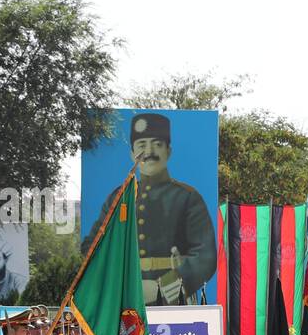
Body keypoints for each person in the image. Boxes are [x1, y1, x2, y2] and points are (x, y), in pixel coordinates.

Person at [83, 112, 216, 307]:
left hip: (173, 301)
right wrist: (122, 282)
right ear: (132, 153)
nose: (149, 151)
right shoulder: (119, 197)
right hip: (126, 300)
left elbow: (205, 256)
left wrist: (164, 285)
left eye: (157, 144)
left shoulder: (187, 197)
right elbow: (91, 248)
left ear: (168, 151)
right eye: (142, 145)